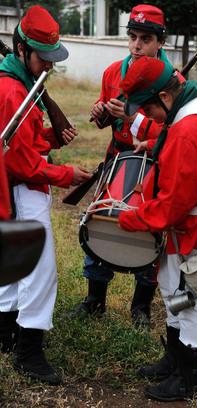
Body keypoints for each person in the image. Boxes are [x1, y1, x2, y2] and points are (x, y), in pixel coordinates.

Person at [118, 56, 197, 401]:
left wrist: (130, 218)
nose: (148, 117)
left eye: (147, 108)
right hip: (190, 221)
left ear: (165, 98)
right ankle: (175, 358)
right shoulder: (195, 103)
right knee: (173, 287)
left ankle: (189, 378)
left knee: (188, 299)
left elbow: (174, 204)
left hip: (195, 224)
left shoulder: (188, 129)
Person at [61, 4, 184, 330]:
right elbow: (105, 124)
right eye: (132, 37)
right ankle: (94, 301)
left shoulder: (174, 81)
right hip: (118, 157)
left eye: (146, 38)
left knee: (150, 231)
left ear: (160, 41)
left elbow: (174, 132)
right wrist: (103, 112)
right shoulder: (113, 73)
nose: (136, 45)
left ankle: (140, 306)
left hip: (154, 162)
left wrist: (135, 118)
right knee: (102, 219)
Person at [0, 5, 92, 386]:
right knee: (39, 272)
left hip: (17, 189)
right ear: (22, 51)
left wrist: (54, 137)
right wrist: (68, 174)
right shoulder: (11, 92)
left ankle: (6, 335)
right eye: (43, 58)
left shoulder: (22, 86)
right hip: (21, 190)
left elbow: (28, 142)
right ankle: (29, 352)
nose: (50, 67)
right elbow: (22, 163)